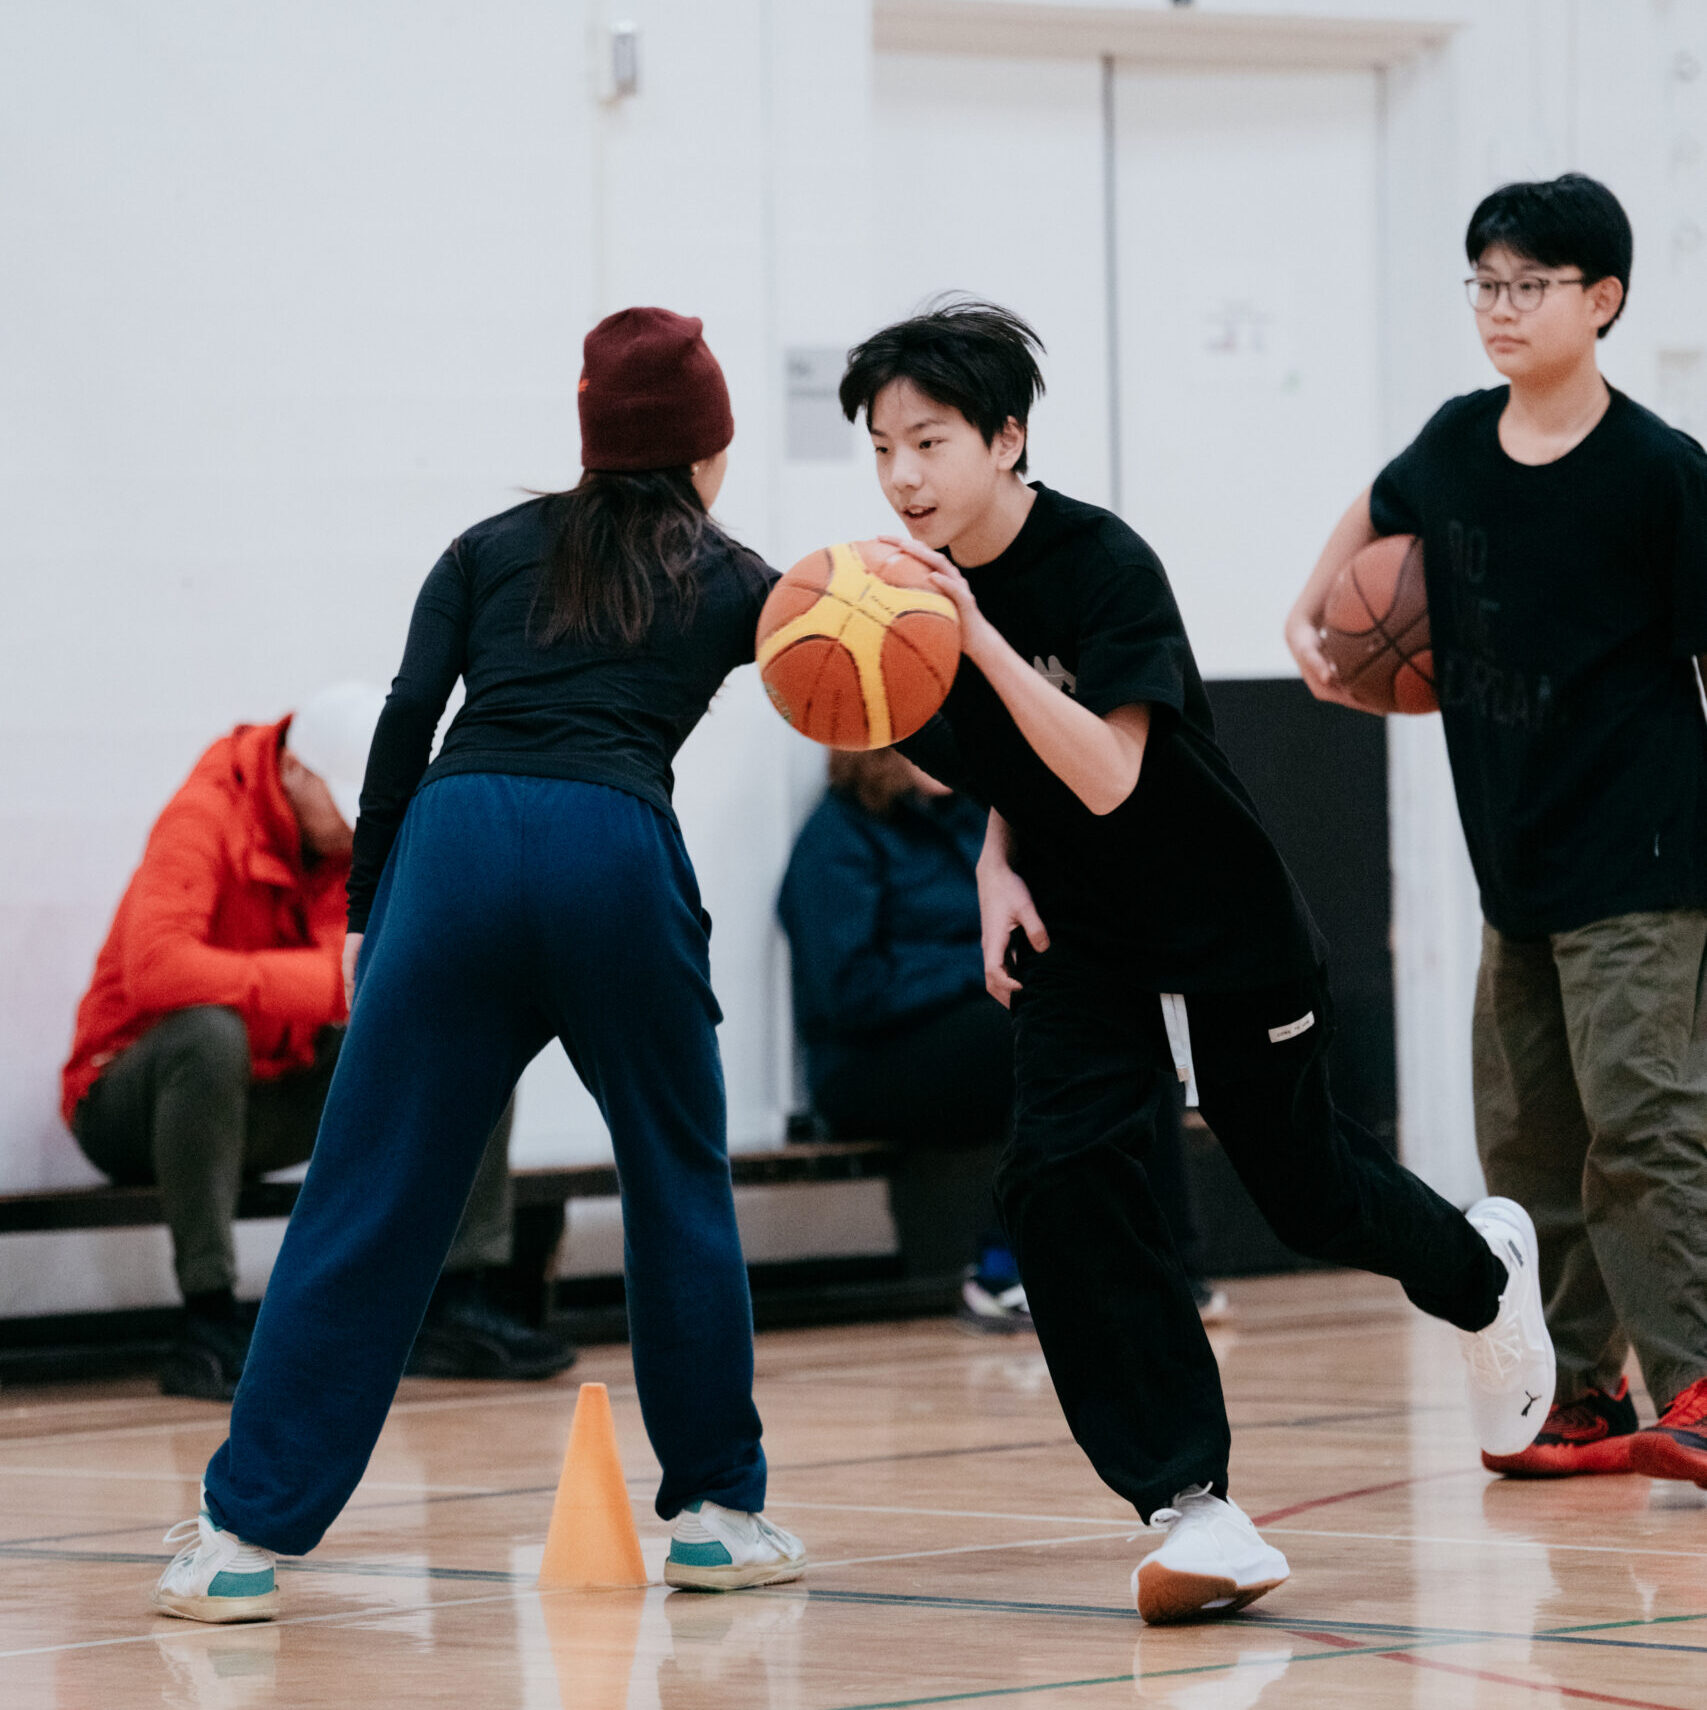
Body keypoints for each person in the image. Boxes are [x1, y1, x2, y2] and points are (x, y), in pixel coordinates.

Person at [837, 297, 1552, 1623]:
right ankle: (1192, 1505)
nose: (900, 476)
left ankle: (1477, 1268)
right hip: (1077, 930)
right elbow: (1017, 777)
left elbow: (1106, 771)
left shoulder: (1100, 564)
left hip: (1217, 913)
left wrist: (978, 636)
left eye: (926, 441)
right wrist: (993, 862)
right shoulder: (909, 599)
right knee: (1054, 1177)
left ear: (1004, 438)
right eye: (879, 448)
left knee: (1298, 1190)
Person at [153, 307, 806, 1623]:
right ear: (709, 448)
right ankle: (717, 1514)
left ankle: (238, 1538)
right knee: (676, 1170)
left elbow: (406, 721)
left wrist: (376, 916)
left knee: (366, 1189)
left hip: (452, 841)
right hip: (612, 842)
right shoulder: (738, 576)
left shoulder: (485, 548)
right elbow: (854, 674)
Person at [1287, 174, 1707, 1483]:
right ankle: (1582, 1389)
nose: (1499, 307)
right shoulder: (1452, 445)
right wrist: (1313, 620)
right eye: (1482, 281)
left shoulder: (1659, 471)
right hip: (1508, 857)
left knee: (1638, 1120)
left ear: (1601, 300)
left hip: (1641, 853)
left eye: (1528, 284)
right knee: (1524, 1137)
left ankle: (1691, 1381)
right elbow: (1354, 546)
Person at [62, 684, 567, 1398]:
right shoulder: (202, 815)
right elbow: (156, 971)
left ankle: (456, 1303)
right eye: (349, 803)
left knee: (464, 1035)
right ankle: (207, 1317)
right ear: (295, 772)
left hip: (263, 1090)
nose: (362, 826)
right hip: (127, 1105)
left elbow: (376, 978)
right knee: (208, 1033)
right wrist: (320, 983)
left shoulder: (348, 848)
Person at [778, 749, 1225, 1329]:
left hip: (976, 1041)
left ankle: (1173, 1269)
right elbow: (850, 992)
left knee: (1123, 1023)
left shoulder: (980, 822)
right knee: (1033, 1033)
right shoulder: (837, 835)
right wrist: (987, 963)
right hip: (866, 1067)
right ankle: (1003, 1270)